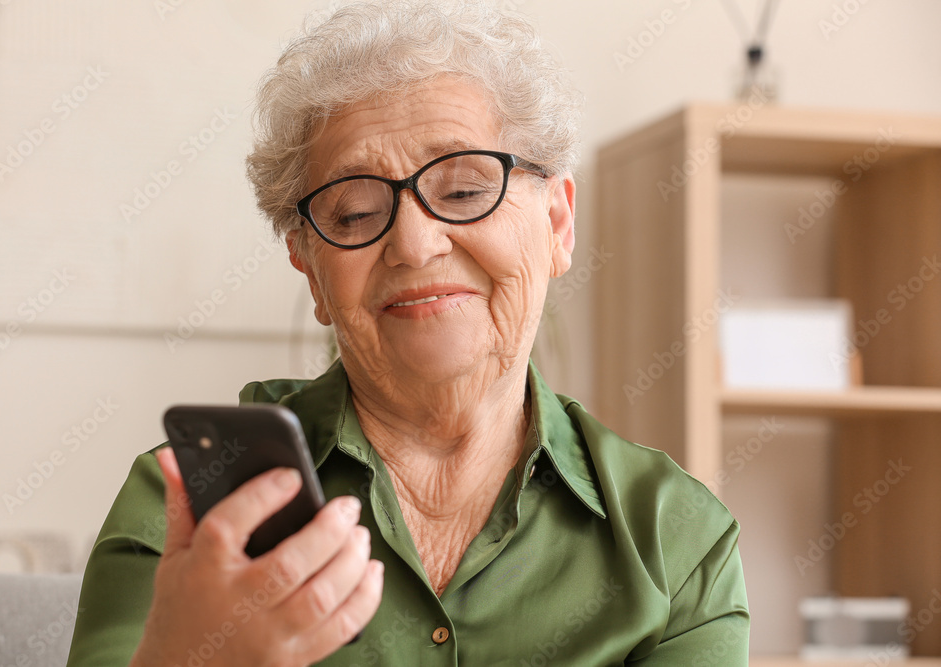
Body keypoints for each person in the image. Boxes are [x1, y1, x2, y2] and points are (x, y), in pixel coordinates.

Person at [66, 1, 749, 665]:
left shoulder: (678, 541)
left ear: (558, 224)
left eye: (462, 191)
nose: (416, 244)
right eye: (358, 212)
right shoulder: (188, 504)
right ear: (310, 269)